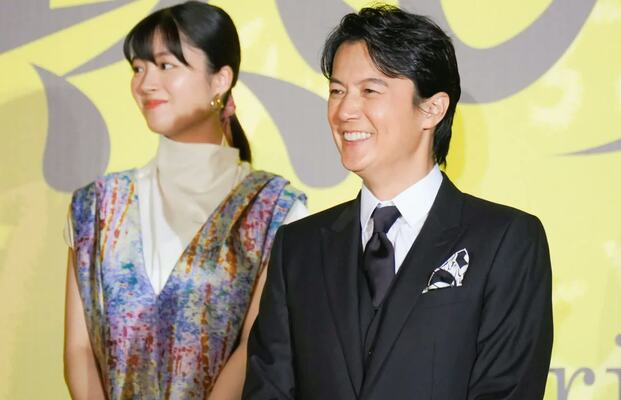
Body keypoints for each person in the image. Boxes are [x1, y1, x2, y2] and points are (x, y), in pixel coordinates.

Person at [245, 5, 552, 400]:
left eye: (369, 91)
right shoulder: (298, 248)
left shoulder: (505, 240)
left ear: (432, 108)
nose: (344, 110)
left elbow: (507, 389)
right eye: (337, 91)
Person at [63, 2, 307, 399]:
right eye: (138, 68)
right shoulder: (95, 206)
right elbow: (79, 349)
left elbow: (256, 346)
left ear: (220, 80)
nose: (145, 83)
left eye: (165, 65)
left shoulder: (275, 209)